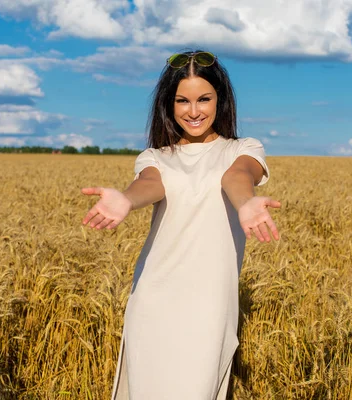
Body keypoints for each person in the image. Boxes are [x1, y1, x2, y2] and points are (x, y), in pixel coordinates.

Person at [81, 50, 281, 400]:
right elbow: (151, 184)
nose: (193, 111)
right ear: (168, 105)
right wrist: (127, 199)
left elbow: (236, 176)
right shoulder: (157, 157)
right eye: (182, 101)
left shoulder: (243, 150)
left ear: (221, 100)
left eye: (204, 99)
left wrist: (245, 202)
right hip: (154, 301)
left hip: (210, 305)